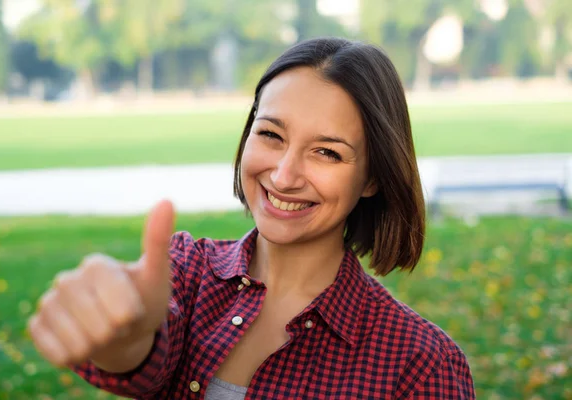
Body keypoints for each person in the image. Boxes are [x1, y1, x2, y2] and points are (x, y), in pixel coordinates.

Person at [28, 37, 475, 399]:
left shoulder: (421, 362)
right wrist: (122, 336)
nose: (284, 175)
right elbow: (140, 359)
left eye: (327, 152)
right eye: (271, 134)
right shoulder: (185, 270)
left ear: (373, 177)